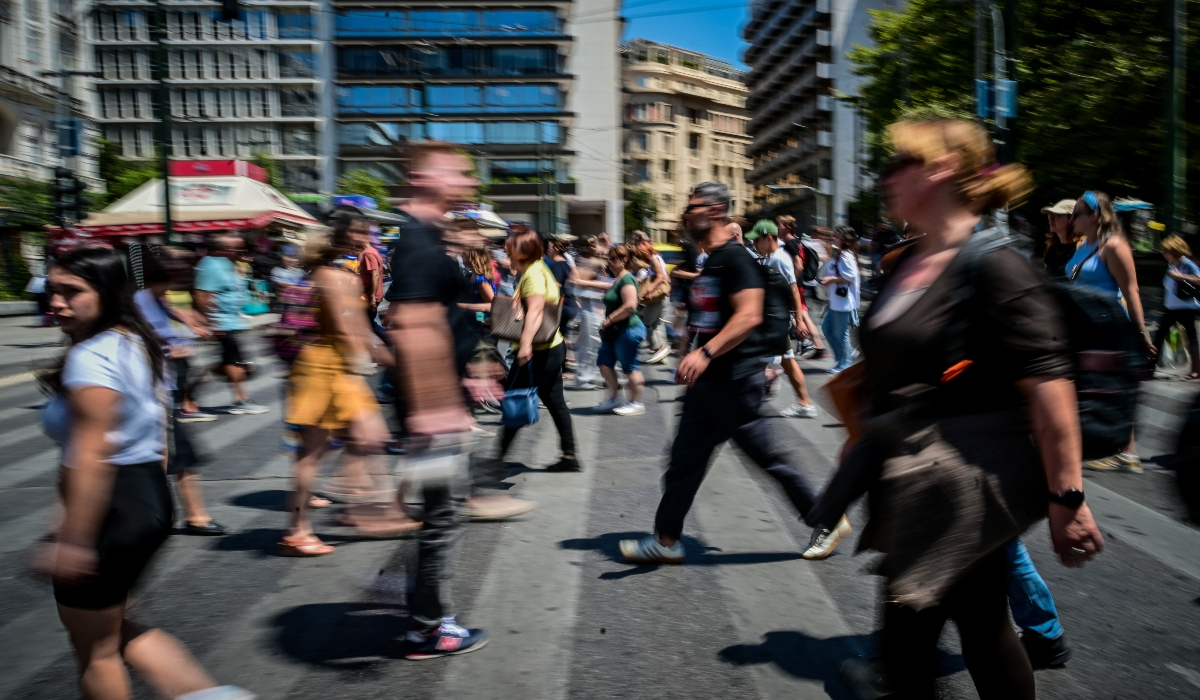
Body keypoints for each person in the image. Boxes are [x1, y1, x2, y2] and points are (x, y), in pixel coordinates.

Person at [828, 118, 1103, 700]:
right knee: (980, 623)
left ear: (942, 170)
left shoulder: (995, 266)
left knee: (914, 637)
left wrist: (1067, 500)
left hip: (961, 486)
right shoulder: (906, 262)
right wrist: (861, 437)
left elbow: (1051, 389)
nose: (887, 176)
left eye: (902, 161)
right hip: (911, 479)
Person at [36, 247, 255, 700]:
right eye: (52, 290)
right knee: (113, 630)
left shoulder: (92, 357)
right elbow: (158, 434)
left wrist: (73, 538)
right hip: (144, 501)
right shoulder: (135, 342)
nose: (55, 302)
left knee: (95, 650)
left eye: (71, 292)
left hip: (107, 508)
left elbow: (92, 453)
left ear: (108, 292)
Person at [619, 182, 825, 564]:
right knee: (683, 461)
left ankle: (825, 519)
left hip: (734, 382)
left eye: (691, 206)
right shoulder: (711, 260)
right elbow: (708, 318)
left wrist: (706, 353)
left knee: (769, 459)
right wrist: (689, 349)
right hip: (708, 384)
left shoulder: (736, 259)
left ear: (714, 211)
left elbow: (749, 315)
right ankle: (666, 541)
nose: (685, 214)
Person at [385, 141, 492, 658]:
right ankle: (430, 627)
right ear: (424, 177)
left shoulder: (423, 238)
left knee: (439, 513)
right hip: (434, 409)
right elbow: (410, 325)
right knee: (443, 516)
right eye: (459, 172)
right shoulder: (418, 241)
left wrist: (470, 367)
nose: (468, 183)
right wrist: (435, 407)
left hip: (437, 402)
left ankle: (427, 618)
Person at [282, 224, 404, 554]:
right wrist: (388, 361)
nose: (358, 240)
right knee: (333, 448)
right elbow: (349, 331)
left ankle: (348, 513)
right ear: (335, 244)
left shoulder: (311, 278)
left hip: (316, 367)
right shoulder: (335, 279)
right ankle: (302, 529)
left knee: (351, 443)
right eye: (351, 235)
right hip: (329, 371)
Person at [134, 254, 228, 536]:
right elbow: (137, 338)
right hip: (149, 390)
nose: (175, 285)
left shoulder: (158, 297)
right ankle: (189, 516)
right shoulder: (138, 301)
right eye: (172, 279)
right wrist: (169, 347)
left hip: (164, 386)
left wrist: (195, 327)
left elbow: (177, 317)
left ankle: (184, 515)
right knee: (177, 454)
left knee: (175, 454)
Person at [1067, 190, 1153, 473]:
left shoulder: (1114, 245)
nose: (1072, 218)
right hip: (1083, 326)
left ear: (1094, 215)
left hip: (1108, 327)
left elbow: (1131, 290)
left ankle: (1126, 452)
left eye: (1077, 213)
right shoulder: (1082, 245)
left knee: (1113, 387)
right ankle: (1121, 450)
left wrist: (1141, 335)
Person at [497, 230, 580, 472]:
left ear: (521, 251)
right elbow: (551, 296)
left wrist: (524, 345)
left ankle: (496, 461)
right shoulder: (540, 267)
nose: (505, 251)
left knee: (514, 402)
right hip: (551, 345)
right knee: (555, 402)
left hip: (539, 350)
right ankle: (569, 457)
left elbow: (534, 310)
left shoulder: (532, 273)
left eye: (509, 248)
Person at [745, 220, 818, 418]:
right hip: (773, 319)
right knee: (785, 360)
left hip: (775, 321)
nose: (754, 245)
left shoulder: (780, 259)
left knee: (759, 361)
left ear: (768, 238)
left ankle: (748, 405)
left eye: (756, 241)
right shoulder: (769, 257)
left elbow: (793, 289)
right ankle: (804, 403)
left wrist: (799, 320)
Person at [193, 236, 269, 415]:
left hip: (232, 320)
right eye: (235, 247)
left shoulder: (231, 264)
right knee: (236, 362)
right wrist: (211, 322)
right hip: (221, 322)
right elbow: (202, 296)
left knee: (232, 363)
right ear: (220, 248)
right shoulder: (210, 264)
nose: (240, 250)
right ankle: (240, 399)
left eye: (240, 247)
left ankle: (190, 390)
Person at [592, 244, 647, 415]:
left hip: (628, 329)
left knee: (630, 367)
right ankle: (614, 397)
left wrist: (608, 320)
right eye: (608, 258)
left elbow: (630, 306)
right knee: (603, 362)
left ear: (624, 260)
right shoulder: (618, 278)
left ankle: (636, 402)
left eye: (613, 258)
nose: (608, 261)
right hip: (615, 330)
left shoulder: (627, 279)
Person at [778, 215, 827, 360]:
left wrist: (790, 281)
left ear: (787, 226)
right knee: (802, 314)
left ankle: (810, 343)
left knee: (799, 314)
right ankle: (817, 346)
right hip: (798, 285)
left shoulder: (791, 243)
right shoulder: (795, 241)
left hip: (795, 286)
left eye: (779, 224)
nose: (777, 227)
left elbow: (798, 265)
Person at [1153, 235, 1200, 380]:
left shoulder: (1187, 264)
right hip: (1170, 308)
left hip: (1186, 308)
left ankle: (1196, 370)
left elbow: (1199, 279)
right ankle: (1149, 367)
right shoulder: (1170, 264)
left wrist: (1182, 277)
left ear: (1175, 250)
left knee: (1191, 338)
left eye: (1166, 251)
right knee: (1159, 336)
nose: (1164, 254)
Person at [820, 226, 861, 373]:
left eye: (837, 236)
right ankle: (845, 356)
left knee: (841, 333)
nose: (834, 238)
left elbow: (850, 276)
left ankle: (845, 364)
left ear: (844, 238)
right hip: (837, 301)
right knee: (827, 328)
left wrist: (831, 279)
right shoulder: (842, 254)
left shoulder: (846, 255)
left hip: (842, 302)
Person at [570, 236, 607, 390]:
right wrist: (601, 283)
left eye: (595, 243)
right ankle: (584, 378)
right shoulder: (582, 262)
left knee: (597, 342)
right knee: (589, 343)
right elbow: (575, 281)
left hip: (598, 304)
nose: (594, 246)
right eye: (590, 244)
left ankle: (594, 375)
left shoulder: (599, 261)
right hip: (589, 304)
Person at [631, 230, 672, 364]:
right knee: (655, 325)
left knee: (644, 323)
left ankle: (661, 347)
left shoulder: (654, 259)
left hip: (656, 298)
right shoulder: (656, 259)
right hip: (659, 298)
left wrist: (650, 289)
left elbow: (661, 276)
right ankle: (660, 351)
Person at [1040, 199, 1077, 279]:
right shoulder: (1051, 248)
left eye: (1057, 215)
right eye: (1050, 215)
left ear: (1071, 219)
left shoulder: (1080, 248)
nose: (1051, 219)